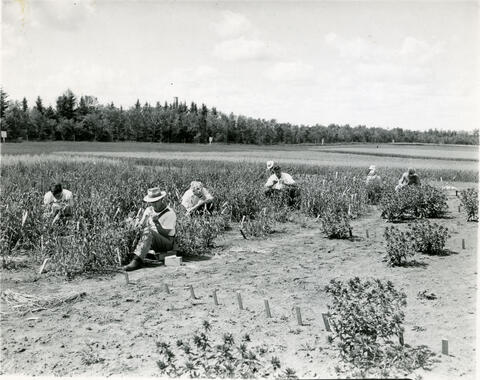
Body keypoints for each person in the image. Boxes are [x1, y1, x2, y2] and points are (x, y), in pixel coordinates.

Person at [124, 187, 176, 271]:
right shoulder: (149, 210)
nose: (154, 204)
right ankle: (132, 255)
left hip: (166, 242)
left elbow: (166, 233)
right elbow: (141, 224)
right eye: (152, 202)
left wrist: (157, 223)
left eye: (156, 202)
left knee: (148, 232)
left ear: (161, 199)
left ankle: (137, 260)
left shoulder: (169, 213)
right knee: (133, 226)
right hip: (151, 238)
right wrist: (136, 224)